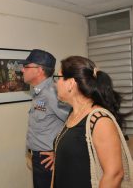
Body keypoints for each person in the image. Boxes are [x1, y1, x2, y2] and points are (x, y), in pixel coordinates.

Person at [52, 56, 126, 188]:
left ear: (71, 84)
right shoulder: (73, 113)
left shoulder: (99, 120)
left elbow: (114, 174)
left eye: (58, 78)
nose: (56, 83)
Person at [20, 49, 70, 188]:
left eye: (26, 66)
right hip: (38, 158)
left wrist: (59, 154)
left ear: (39, 70)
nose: (22, 70)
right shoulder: (38, 91)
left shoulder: (53, 93)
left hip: (48, 161)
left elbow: (75, 123)